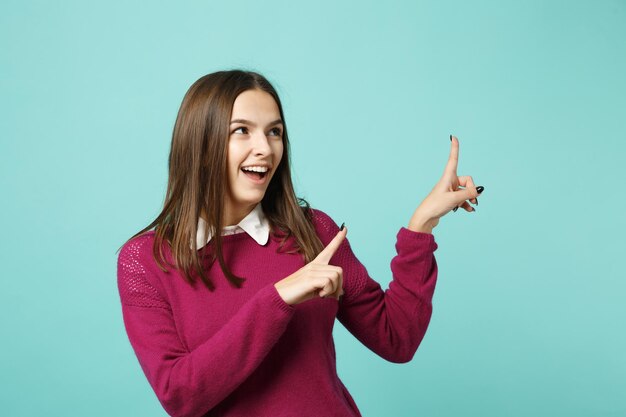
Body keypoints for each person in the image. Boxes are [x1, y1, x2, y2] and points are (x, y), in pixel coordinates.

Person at [116, 69, 484, 417]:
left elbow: (397, 338)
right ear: (199, 143)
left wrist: (421, 227)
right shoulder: (146, 261)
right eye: (241, 130)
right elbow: (180, 395)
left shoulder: (313, 231)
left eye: (274, 132)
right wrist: (279, 298)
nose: (264, 148)